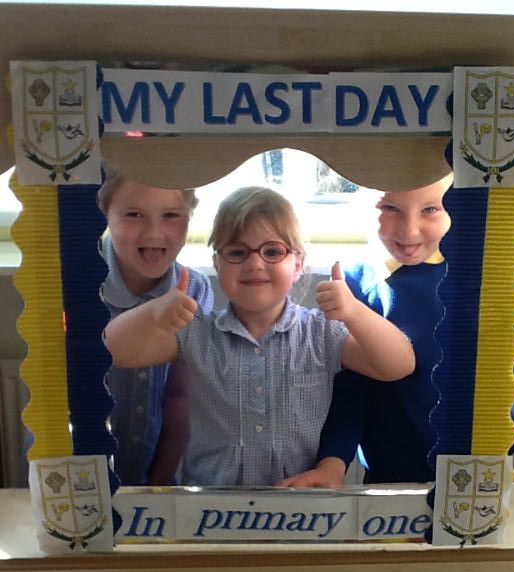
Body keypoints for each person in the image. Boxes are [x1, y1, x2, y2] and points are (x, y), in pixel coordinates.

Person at [104, 186, 415, 487]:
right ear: (217, 264)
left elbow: (398, 364)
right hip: (210, 511)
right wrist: (152, 313)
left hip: (301, 507)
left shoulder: (321, 333)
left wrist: (355, 313)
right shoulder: (196, 334)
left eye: (272, 252)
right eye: (237, 252)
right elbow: (109, 351)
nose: (255, 263)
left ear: (298, 264)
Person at [280, 175, 453, 488]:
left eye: (430, 210)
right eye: (390, 208)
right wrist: (333, 463)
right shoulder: (354, 282)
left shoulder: (482, 275)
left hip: (474, 470)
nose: (409, 230)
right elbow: (351, 391)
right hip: (386, 477)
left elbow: (500, 376)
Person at [98, 168, 214, 485]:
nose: (153, 233)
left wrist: (159, 484)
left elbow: (180, 397)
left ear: (189, 216)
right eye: (134, 215)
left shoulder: (195, 290)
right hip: (73, 469)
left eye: (171, 215)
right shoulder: (73, 281)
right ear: (105, 212)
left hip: (148, 471)